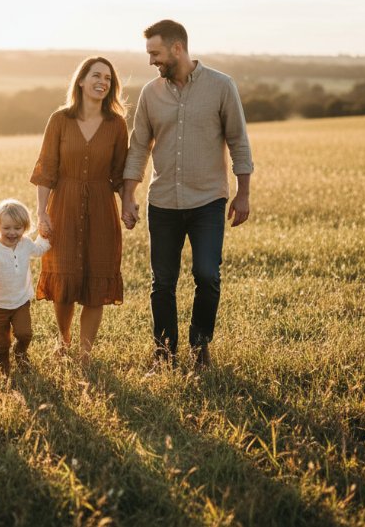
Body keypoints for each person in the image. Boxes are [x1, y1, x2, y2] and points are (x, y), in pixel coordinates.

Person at [121, 19, 254, 372]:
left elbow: (239, 141)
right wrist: (128, 195)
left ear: (177, 48)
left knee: (207, 275)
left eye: (155, 53)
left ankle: (200, 348)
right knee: (162, 282)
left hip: (208, 201)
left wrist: (243, 193)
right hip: (162, 202)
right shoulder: (151, 93)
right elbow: (138, 148)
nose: (151, 61)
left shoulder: (221, 86)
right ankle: (164, 354)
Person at [30, 56, 129, 366]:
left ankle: (85, 354)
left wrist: (129, 203)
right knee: (64, 279)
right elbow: (47, 168)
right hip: (63, 206)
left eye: (108, 79)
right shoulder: (59, 120)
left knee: (96, 282)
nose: (103, 82)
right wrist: (41, 212)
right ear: (82, 81)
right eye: (96, 75)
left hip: (101, 209)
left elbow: (121, 173)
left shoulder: (116, 125)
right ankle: (63, 341)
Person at [0, 199, 51, 376]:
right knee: (2, 341)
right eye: (6, 228)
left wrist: (44, 234)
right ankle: (3, 368)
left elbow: (39, 250)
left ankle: (21, 353)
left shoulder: (25, 244)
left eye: (17, 228)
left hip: (21, 301)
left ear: (25, 228)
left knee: (25, 333)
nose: (12, 232)